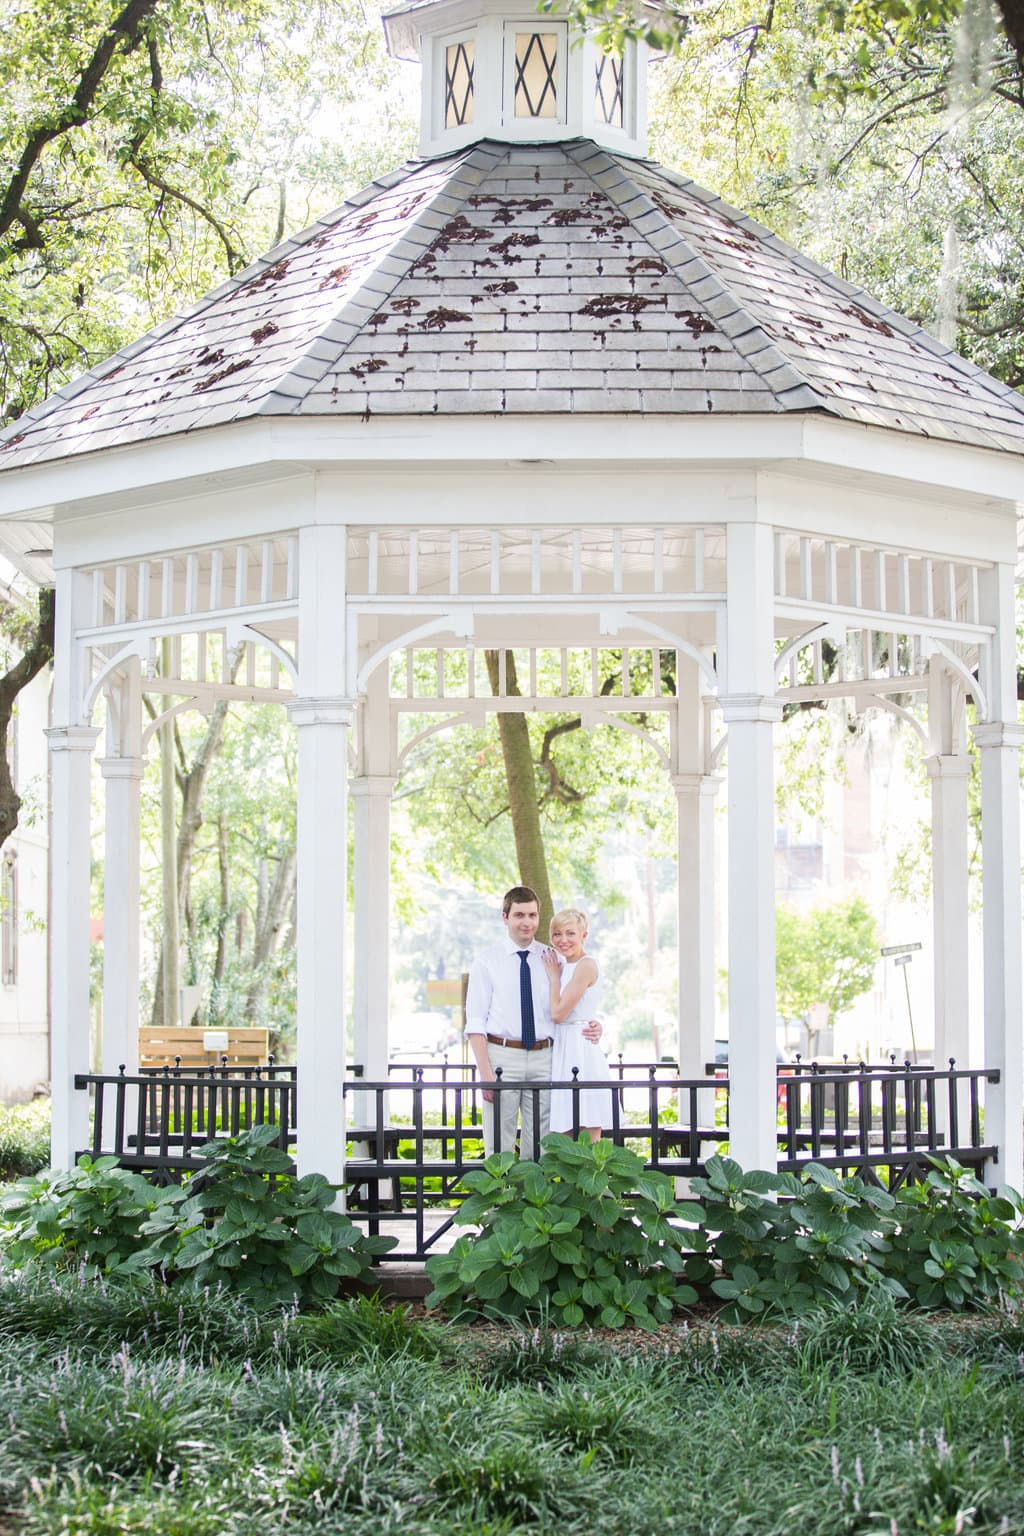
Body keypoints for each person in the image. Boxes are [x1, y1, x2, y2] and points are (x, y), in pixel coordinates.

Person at [464, 886, 601, 1157]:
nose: (526, 922)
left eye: (532, 915)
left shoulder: (554, 959)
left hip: (545, 1058)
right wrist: (485, 1073)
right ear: (505, 917)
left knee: (541, 1144)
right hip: (502, 1057)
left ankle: (533, 1199)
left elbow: (573, 1003)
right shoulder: (487, 962)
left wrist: (596, 1024)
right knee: (498, 1142)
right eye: (519, 915)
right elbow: (475, 1022)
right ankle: (499, 1200)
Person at [542, 908, 613, 1141]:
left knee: (588, 1121)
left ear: (584, 935)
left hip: (578, 1046)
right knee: (563, 1126)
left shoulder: (585, 965)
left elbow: (559, 1013)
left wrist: (553, 978)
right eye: (557, 934)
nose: (563, 940)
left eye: (570, 933)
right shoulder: (559, 964)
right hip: (561, 1044)